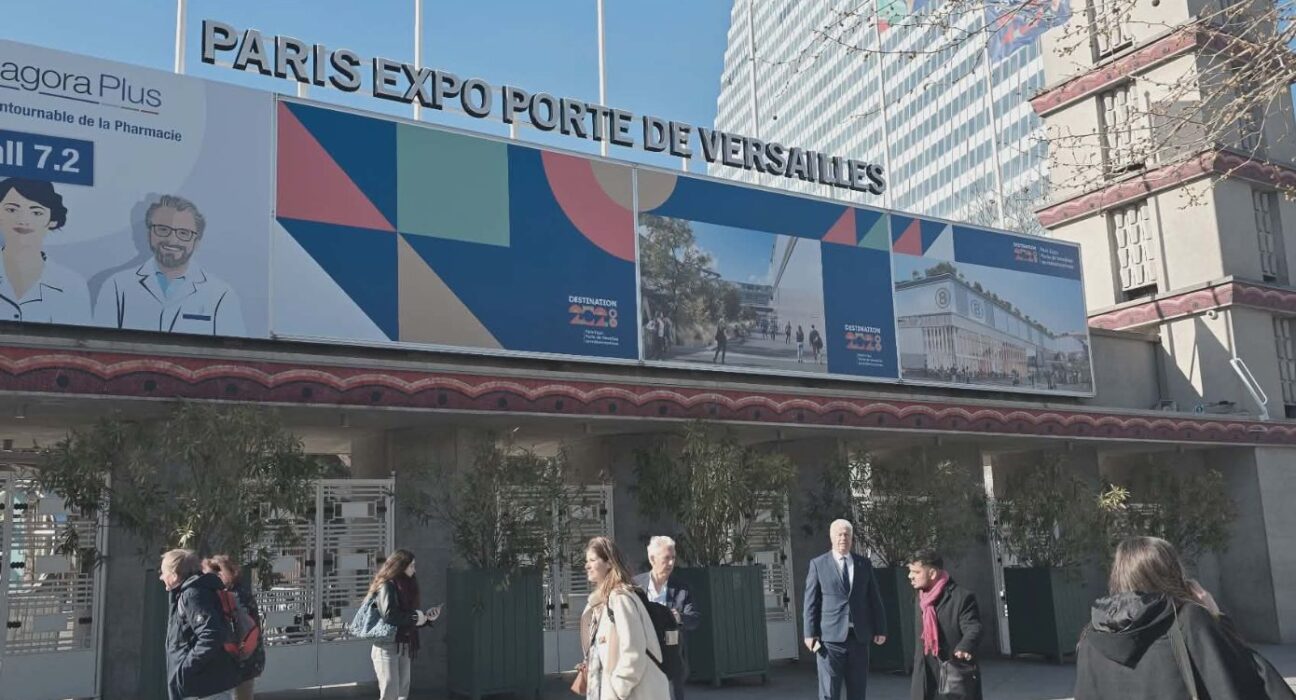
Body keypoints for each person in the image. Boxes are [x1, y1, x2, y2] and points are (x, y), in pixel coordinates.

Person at [1074, 536, 1293, 700]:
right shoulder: (1188, 620)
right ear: (1172, 572)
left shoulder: (1092, 636)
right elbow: (1248, 679)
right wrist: (1216, 616)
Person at [94, 194, 246, 335]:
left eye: (183, 233)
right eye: (163, 230)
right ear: (149, 234)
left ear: (197, 242)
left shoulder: (221, 295)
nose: (172, 240)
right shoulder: (117, 285)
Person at [804, 519, 887, 700]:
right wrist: (809, 633)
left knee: (857, 691)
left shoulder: (863, 564)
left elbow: (874, 598)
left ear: (852, 538)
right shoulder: (818, 564)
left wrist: (880, 628)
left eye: (847, 534)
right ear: (831, 537)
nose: (843, 538)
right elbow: (811, 602)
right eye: (839, 534)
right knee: (829, 692)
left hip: (858, 638)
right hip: (830, 640)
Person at [579, 536, 670, 700]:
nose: (587, 565)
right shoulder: (600, 603)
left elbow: (633, 651)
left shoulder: (620, 599)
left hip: (633, 694)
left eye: (592, 560)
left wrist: (618, 690)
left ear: (609, 563)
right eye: (587, 561)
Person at [0, 178, 91, 324]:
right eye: (12, 210)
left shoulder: (72, 284)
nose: (23, 220)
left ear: (52, 220)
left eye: (36, 212)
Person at [160, 549, 240, 700]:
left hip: (204, 689)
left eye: (164, 572)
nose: (161, 577)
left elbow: (211, 635)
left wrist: (185, 669)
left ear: (174, 575)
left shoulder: (193, 595)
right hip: (205, 686)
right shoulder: (196, 591)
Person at [907, 550, 982, 700]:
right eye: (910, 571)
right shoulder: (920, 598)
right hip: (924, 676)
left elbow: (973, 627)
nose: (910, 576)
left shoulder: (962, 597)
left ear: (932, 574)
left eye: (916, 572)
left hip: (953, 675)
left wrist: (964, 647)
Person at [366, 549, 440, 700]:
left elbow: (409, 617)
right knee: (390, 692)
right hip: (387, 646)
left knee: (402, 692)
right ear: (400, 566)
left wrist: (427, 618)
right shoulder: (387, 585)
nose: (414, 569)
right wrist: (416, 617)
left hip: (404, 643)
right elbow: (390, 615)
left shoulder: (409, 586)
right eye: (411, 565)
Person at [633, 536, 701, 700]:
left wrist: (678, 617)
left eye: (673, 558)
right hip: (643, 658)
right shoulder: (635, 586)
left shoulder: (682, 588)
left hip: (672, 659)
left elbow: (694, 619)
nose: (671, 563)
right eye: (666, 558)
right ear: (652, 559)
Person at [203, 555, 264, 700]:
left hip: (240, 658)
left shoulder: (232, 596)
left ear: (221, 574)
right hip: (246, 657)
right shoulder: (239, 592)